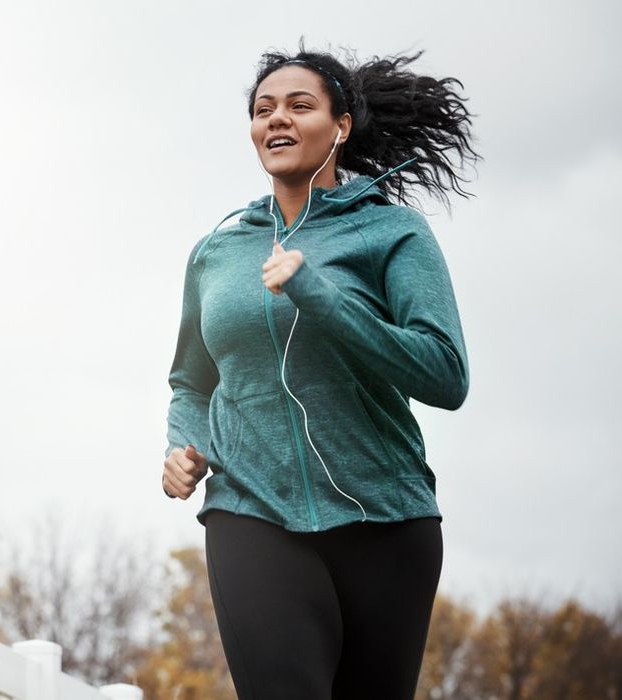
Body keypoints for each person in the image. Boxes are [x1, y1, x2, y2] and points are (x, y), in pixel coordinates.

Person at [161, 44, 479, 699]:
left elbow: (445, 376)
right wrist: (181, 447)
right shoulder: (215, 253)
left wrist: (321, 297)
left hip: (385, 522)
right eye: (262, 109)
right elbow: (192, 382)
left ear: (340, 126)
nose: (275, 119)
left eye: (298, 105)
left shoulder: (391, 234)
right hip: (250, 508)